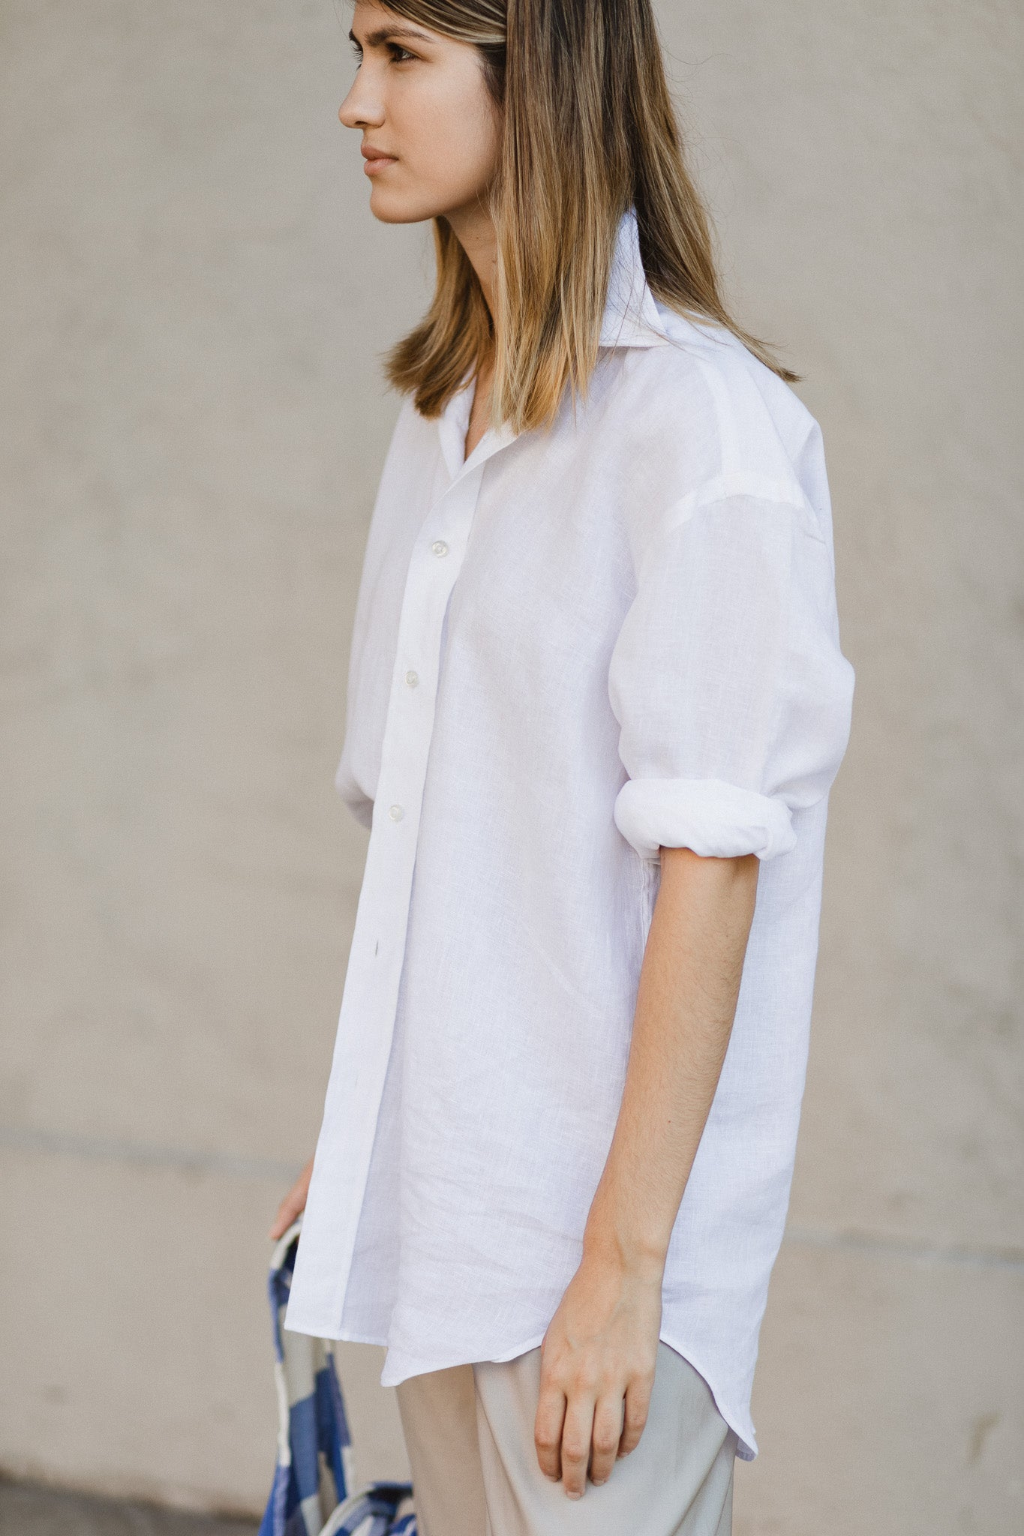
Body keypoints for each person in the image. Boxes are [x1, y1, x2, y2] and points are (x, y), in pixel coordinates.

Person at [271, 2, 855, 1531]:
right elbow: (438, 849)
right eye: (361, 50)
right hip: (448, 1223)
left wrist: (623, 1266)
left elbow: (710, 868)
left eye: (401, 53)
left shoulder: (704, 435)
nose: (355, 102)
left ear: (540, 78)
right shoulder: (444, 421)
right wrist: (360, 1151)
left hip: (599, 1266)